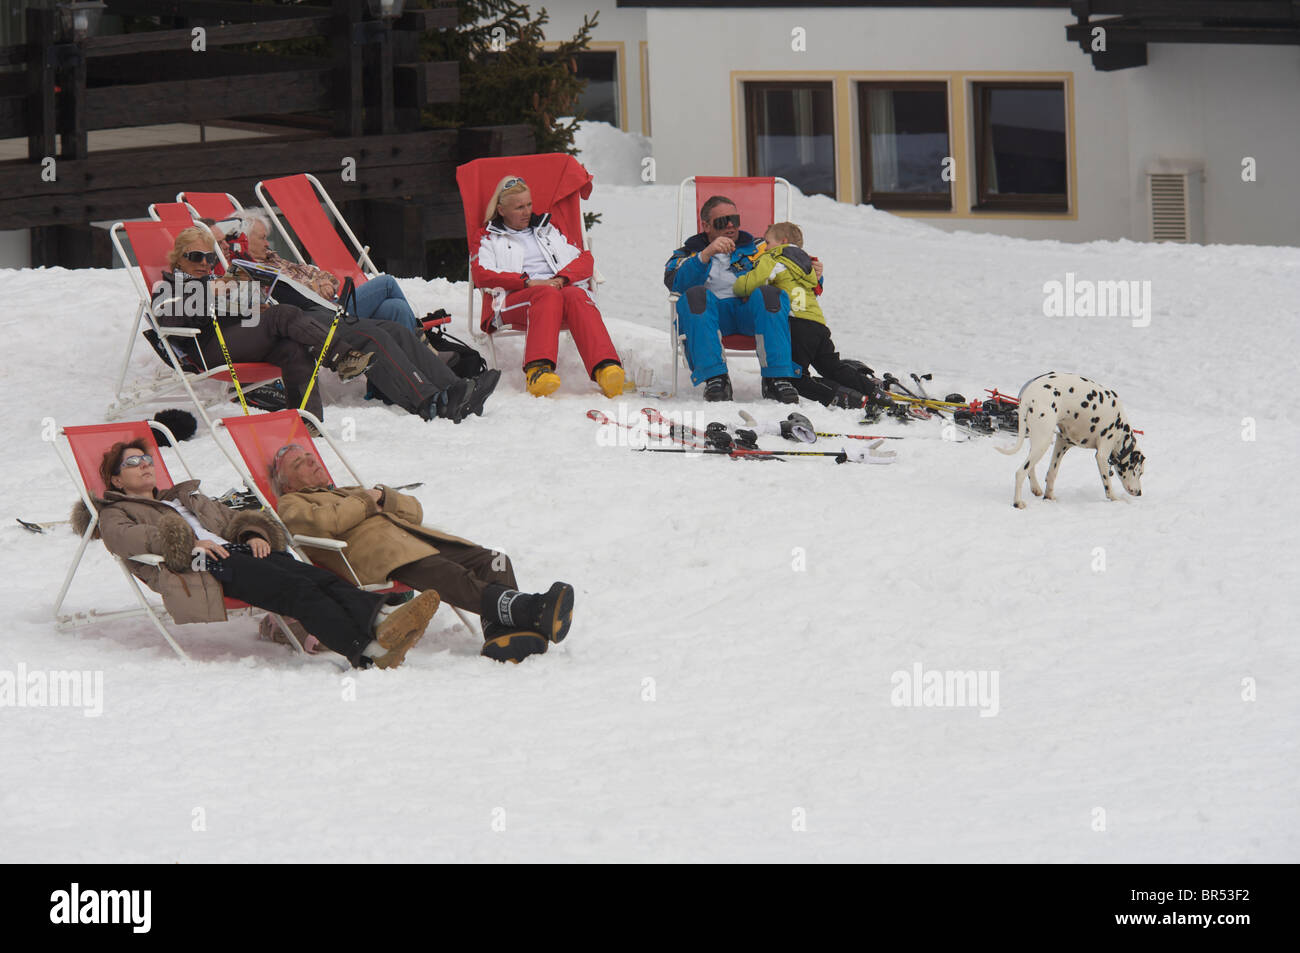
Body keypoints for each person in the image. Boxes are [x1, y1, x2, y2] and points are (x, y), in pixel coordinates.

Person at [74, 438, 440, 669]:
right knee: (296, 592)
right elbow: (124, 540)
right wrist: (187, 543)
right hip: (199, 565)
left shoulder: (185, 498)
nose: (144, 465)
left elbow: (232, 517)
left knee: (312, 576)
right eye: (132, 463)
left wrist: (253, 532)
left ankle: (379, 626)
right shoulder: (114, 512)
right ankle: (369, 643)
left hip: (237, 553)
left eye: (146, 459)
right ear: (116, 481)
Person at [269, 443, 575, 664]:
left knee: (494, 559)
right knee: (450, 576)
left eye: (311, 456)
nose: (312, 462)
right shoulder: (292, 504)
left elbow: (414, 510)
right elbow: (328, 522)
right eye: (300, 465)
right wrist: (368, 500)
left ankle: (502, 635)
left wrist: (382, 496)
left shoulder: (344, 492)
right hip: (382, 555)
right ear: (287, 484)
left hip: (414, 539)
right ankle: (531, 610)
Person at [156, 227, 495, 424]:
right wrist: (208, 297)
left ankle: (452, 389)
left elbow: (251, 309)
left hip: (248, 334)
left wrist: (239, 296)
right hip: (211, 347)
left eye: (209, 258)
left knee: (299, 347)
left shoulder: (222, 281)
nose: (204, 264)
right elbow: (171, 321)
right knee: (286, 315)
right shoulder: (170, 286)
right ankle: (414, 394)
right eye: (195, 257)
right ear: (178, 258)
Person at [471, 175, 624, 399]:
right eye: (519, 207)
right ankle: (537, 371)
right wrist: (527, 282)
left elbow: (584, 260)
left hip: (554, 290)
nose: (526, 212)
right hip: (509, 299)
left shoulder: (547, 230)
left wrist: (562, 279)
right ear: (501, 210)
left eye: (529, 205)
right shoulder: (488, 236)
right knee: (546, 294)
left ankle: (606, 368)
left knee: (576, 294)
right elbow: (481, 274)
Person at [664, 196, 802, 403]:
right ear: (706, 226)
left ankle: (776, 377)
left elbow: (793, 269)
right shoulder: (688, 253)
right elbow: (675, 283)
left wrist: (814, 273)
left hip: (752, 314)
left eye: (734, 220)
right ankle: (716, 378)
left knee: (770, 294)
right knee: (694, 295)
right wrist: (706, 254)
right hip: (711, 317)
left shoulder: (759, 247)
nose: (730, 226)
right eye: (722, 221)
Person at [733, 222, 882, 409]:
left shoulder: (774, 258)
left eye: (768, 242)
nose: (765, 246)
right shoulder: (807, 265)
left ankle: (846, 399)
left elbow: (748, 285)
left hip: (796, 324)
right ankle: (872, 389)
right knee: (832, 367)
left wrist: (739, 283)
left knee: (797, 378)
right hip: (818, 324)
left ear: (782, 242)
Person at [222, 209, 423, 332]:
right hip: (321, 317)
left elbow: (323, 275)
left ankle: (398, 379)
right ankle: (422, 341)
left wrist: (325, 283)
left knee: (396, 307)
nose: (267, 243)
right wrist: (317, 288)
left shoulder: (274, 259)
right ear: (244, 239)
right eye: (262, 238)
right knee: (386, 283)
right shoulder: (250, 272)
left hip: (332, 306)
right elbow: (291, 299)